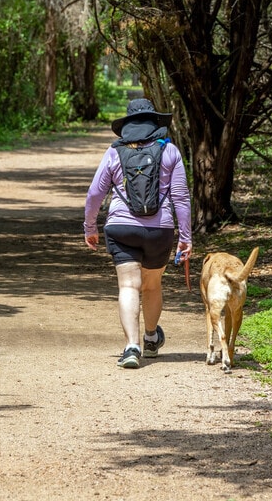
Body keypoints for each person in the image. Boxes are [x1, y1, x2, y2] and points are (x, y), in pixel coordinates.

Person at [83, 98, 193, 369]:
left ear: (128, 126)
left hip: (121, 228)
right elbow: (181, 197)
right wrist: (186, 237)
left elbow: (95, 193)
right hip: (160, 230)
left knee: (128, 286)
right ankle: (152, 338)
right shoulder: (170, 152)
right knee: (152, 285)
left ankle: (131, 347)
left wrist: (90, 227)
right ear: (155, 123)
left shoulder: (114, 152)